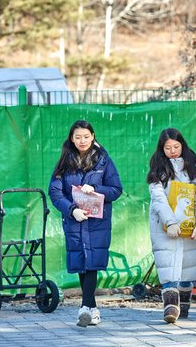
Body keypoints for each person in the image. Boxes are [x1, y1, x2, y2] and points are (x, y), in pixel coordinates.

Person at [48, 120, 122, 327]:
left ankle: (85, 307)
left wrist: (97, 190)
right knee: (82, 263)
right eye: (78, 137)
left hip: (97, 222)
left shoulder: (104, 160)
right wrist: (72, 210)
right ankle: (92, 309)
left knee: (91, 263)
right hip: (75, 221)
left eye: (86, 136)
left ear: (93, 136)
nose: (82, 141)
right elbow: (55, 191)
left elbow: (116, 189)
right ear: (71, 138)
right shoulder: (64, 162)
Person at [147, 128, 196, 323]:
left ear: (182, 145)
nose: (172, 151)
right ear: (161, 149)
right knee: (168, 266)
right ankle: (170, 308)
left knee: (187, 269)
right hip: (164, 227)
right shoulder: (158, 171)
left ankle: (184, 303)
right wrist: (170, 221)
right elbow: (157, 198)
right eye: (168, 148)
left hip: (190, 227)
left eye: (176, 146)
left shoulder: (195, 170)